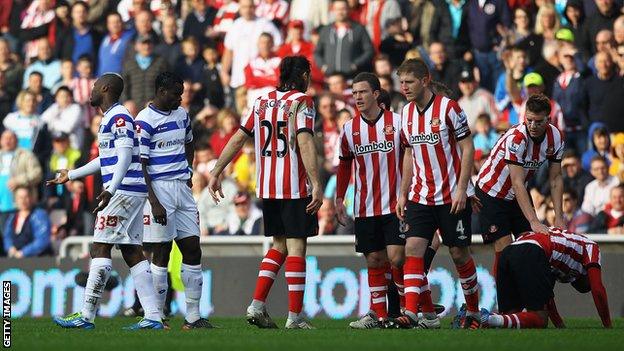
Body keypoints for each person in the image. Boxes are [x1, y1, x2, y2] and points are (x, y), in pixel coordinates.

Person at [208, 56, 322, 329]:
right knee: (296, 247)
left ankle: (257, 305)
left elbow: (238, 136)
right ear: (304, 75)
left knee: (278, 245)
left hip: (268, 187)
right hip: (294, 186)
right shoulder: (302, 102)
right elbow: (305, 142)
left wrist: (216, 171)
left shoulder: (261, 102)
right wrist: (316, 183)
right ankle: (295, 317)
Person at [48, 73, 163, 330]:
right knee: (132, 251)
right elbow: (107, 158)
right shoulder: (111, 117)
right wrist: (72, 175)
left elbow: (123, 156)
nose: (90, 90)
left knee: (99, 247)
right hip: (130, 190)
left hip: (122, 191)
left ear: (105, 88)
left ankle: (86, 315)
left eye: (94, 86)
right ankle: (153, 316)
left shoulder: (119, 116)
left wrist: (111, 188)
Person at [395, 58, 480, 329]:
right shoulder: (405, 114)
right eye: (401, 82)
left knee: (459, 254)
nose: (404, 87)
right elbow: (408, 153)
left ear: (425, 80)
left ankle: (474, 312)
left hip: (451, 197)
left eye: (409, 82)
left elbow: (468, 148)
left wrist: (462, 189)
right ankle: (412, 314)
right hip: (421, 196)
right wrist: (403, 193)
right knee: (412, 249)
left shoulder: (449, 108)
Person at [136, 72, 213, 329]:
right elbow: (140, 163)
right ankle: (156, 316)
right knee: (161, 252)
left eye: (181, 94)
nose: (179, 99)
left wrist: (189, 172)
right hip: (158, 190)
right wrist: (153, 200)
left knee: (193, 248)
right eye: (175, 94)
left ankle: (193, 317)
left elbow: (189, 143)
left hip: (182, 188)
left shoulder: (182, 115)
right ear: (160, 92)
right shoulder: (144, 120)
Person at [334, 73, 404, 328]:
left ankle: (408, 308)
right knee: (373, 259)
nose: (357, 97)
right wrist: (339, 197)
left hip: (395, 204)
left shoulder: (397, 123)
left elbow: (411, 160)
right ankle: (379, 314)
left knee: (396, 257)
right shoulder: (349, 129)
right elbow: (343, 164)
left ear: (376, 94)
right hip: (364, 207)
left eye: (362, 92)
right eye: (354, 93)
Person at [476, 94, 565, 277]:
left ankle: (529, 302)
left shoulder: (555, 137)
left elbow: (555, 178)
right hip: (492, 192)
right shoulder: (517, 138)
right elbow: (516, 182)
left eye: (538, 121)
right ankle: (505, 304)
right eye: (529, 120)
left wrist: (559, 217)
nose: (533, 126)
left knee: (530, 246)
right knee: (505, 249)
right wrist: (534, 221)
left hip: (517, 194)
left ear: (549, 119)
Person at [481, 228, 611, 329]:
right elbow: (597, 289)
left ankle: (479, 316)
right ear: (583, 273)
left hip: (509, 251)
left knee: (510, 315)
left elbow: (547, 297)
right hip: (531, 250)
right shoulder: (590, 246)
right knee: (540, 319)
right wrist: (607, 325)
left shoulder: (564, 256)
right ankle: (489, 319)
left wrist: (559, 325)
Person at [313, 0, 374, 78]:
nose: (340, 12)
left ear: (348, 9)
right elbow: (317, 52)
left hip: (352, 78)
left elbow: (369, 51)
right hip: (331, 79)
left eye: (343, 9)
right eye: (337, 9)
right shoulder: (326, 30)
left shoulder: (359, 29)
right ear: (333, 10)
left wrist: (355, 65)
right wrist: (323, 67)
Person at [3, 185, 51, 258]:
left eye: (26, 197)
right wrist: (10, 248)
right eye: (20, 198)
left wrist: (23, 253)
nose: (23, 200)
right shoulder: (12, 217)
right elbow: (7, 236)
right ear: (15, 199)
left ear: (32, 198)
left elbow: (42, 240)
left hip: (37, 260)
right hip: (15, 259)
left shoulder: (39, 215)